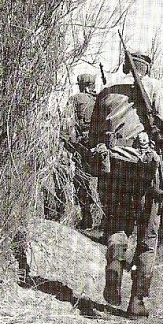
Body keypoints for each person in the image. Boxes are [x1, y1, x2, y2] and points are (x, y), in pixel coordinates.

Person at [87, 51, 163, 317]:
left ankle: (115, 263)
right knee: (148, 235)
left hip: (115, 166)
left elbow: (94, 133)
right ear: (145, 68)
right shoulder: (155, 87)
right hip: (147, 170)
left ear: (125, 66)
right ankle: (137, 300)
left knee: (117, 224)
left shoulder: (106, 92)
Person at [61, 72, 102, 230]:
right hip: (101, 146)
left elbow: (66, 122)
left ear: (82, 85)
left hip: (82, 146)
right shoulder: (101, 99)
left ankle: (87, 216)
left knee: (81, 180)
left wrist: (69, 143)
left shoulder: (75, 99)